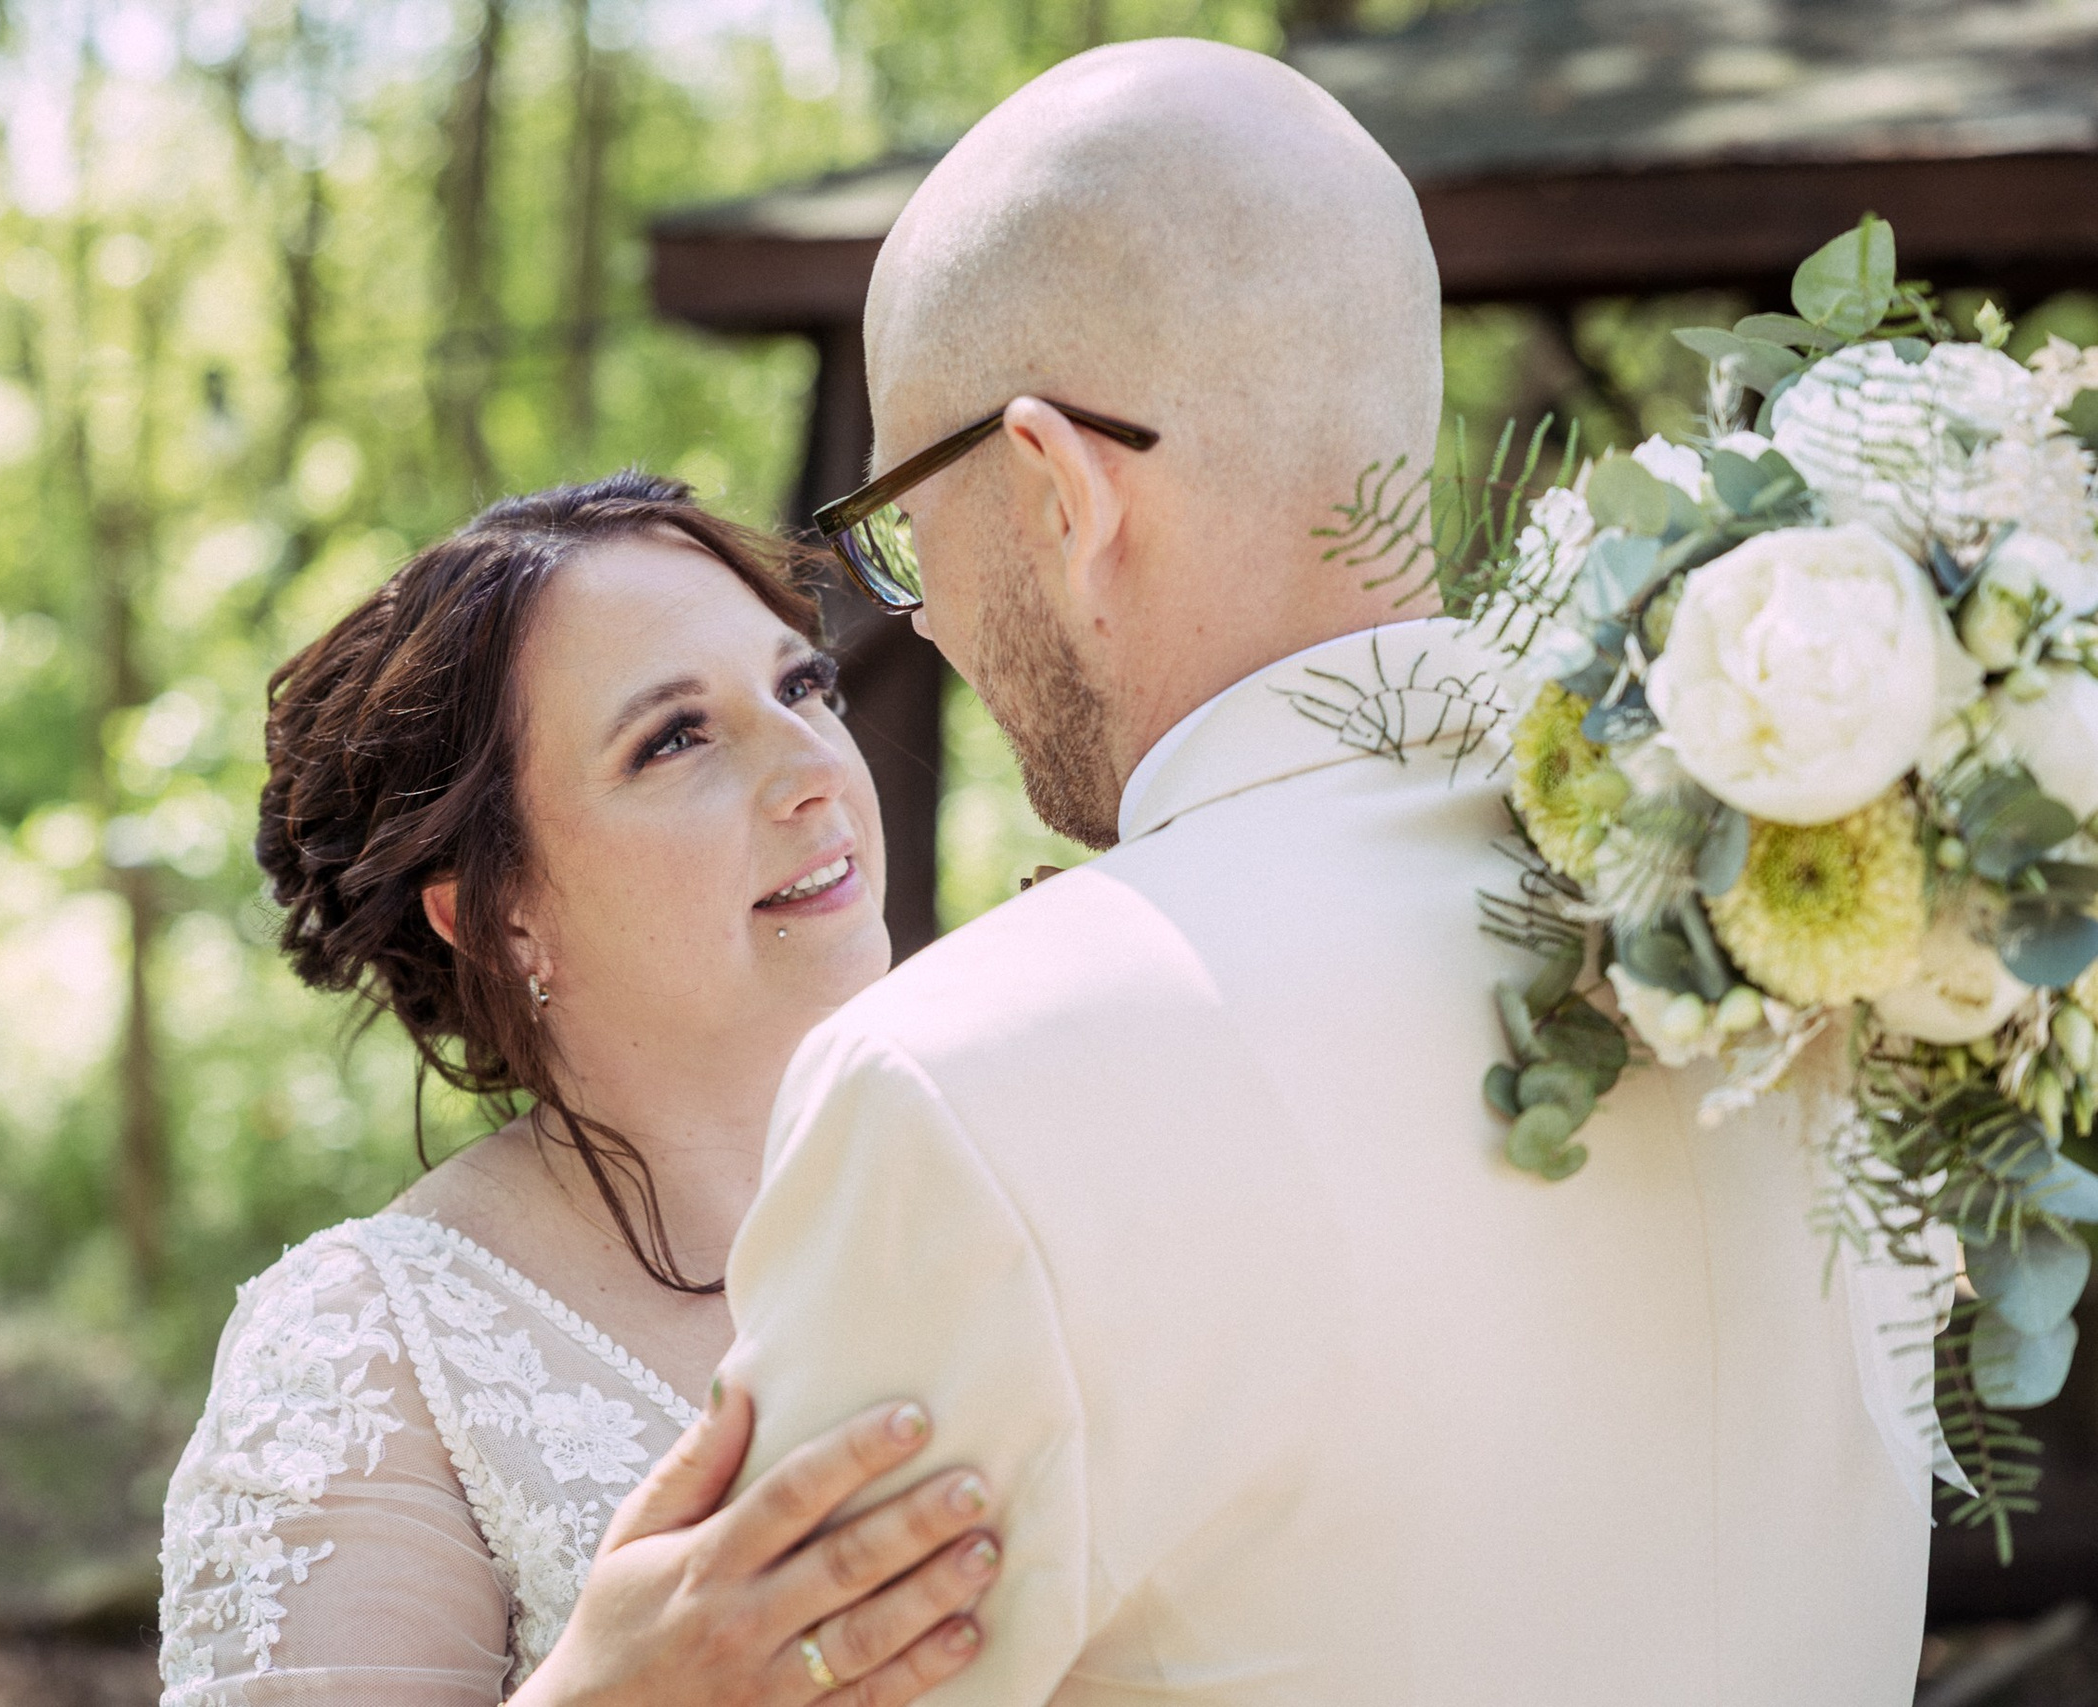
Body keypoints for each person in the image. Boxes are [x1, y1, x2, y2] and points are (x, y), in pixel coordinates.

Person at [720, 39, 1930, 1707]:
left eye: (905, 519)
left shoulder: (961, 1084)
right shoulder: (1814, 926)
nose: (916, 608)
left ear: (1060, 487)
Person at [157, 474, 1001, 1706]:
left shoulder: (1019, 1163)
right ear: (500, 915)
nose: (813, 768)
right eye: (674, 738)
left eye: (799, 685)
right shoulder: (372, 1354)